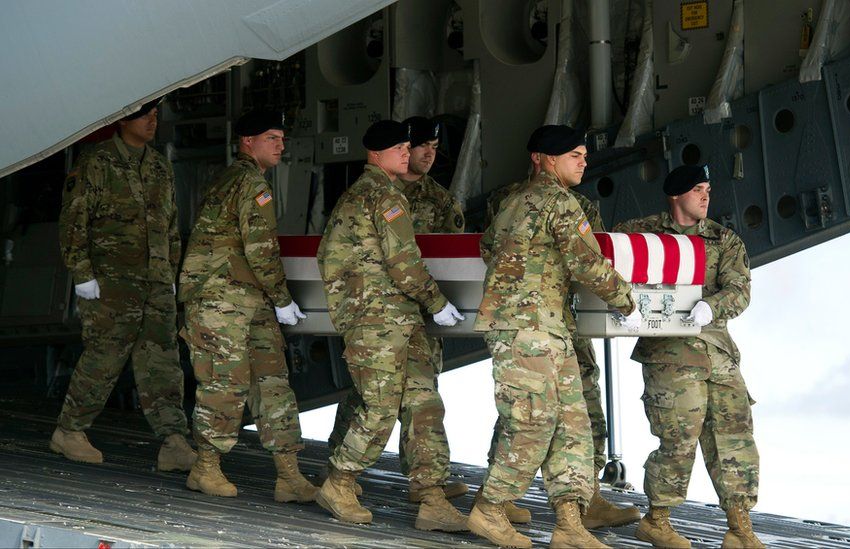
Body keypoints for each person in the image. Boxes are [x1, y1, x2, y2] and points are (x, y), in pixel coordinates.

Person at [468, 124, 641, 549]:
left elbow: (489, 247)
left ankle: (569, 524)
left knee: (572, 427)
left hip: (544, 327)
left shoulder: (511, 203)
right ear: (544, 158)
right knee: (533, 423)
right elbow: (586, 264)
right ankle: (489, 510)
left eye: (584, 155)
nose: (583, 162)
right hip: (530, 330)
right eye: (574, 155)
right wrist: (626, 299)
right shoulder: (559, 202)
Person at [316, 120, 468, 532]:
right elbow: (403, 263)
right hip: (378, 320)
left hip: (399, 319)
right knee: (381, 407)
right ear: (377, 154)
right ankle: (339, 481)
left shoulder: (377, 194)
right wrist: (437, 303)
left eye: (408, 147)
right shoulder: (382, 197)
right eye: (400, 148)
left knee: (423, 402)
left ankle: (431, 496)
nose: (407, 153)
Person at [614, 164, 763, 549]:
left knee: (735, 437)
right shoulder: (641, 233)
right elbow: (607, 260)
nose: (705, 195)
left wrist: (712, 306)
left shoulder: (724, 240)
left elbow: (740, 289)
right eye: (698, 188)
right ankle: (657, 520)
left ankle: (740, 527)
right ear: (676, 194)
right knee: (678, 437)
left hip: (718, 352)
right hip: (669, 354)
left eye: (708, 189)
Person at [178, 110, 317, 504]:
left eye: (282, 138)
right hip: (223, 299)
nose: (280, 145)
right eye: (271, 137)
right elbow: (261, 249)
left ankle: (288, 474)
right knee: (227, 382)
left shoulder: (235, 179)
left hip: (245, 298)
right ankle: (205, 467)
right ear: (247, 142)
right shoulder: (251, 183)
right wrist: (283, 298)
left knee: (272, 380)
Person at [52, 98, 196, 472]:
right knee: (104, 357)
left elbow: (171, 228)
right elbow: (73, 222)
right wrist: (82, 274)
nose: (152, 120)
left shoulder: (160, 168)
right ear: (123, 119)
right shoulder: (96, 163)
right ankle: (70, 430)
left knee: (163, 361)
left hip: (156, 285)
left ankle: (173, 440)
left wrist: (172, 275)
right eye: (145, 114)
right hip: (111, 286)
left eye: (155, 114)